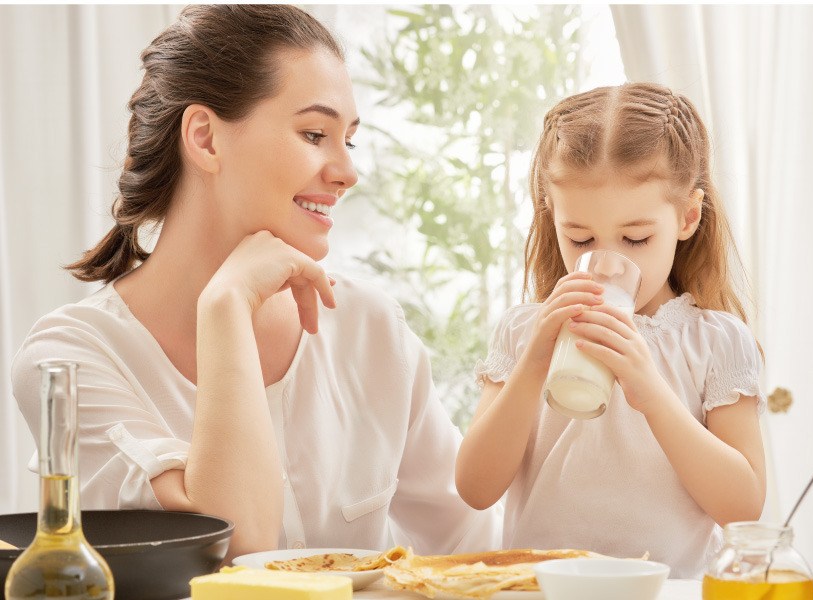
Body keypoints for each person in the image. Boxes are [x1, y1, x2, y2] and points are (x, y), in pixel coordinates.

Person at [12, 4, 500, 561]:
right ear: (205, 138)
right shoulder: (70, 360)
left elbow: (476, 551)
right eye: (314, 133)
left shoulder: (369, 327)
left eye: (350, 140)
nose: (347, 172)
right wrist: (227, 305)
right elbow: (233, 551)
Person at [455, 82, 766, 578]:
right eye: (580, 238)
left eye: (636, 238)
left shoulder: (714, 341)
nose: (608, 261)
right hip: (541, 590)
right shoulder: (524, 332)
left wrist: (651, 392)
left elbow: (743, 508)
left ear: (687, 217)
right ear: (550, 217)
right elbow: (474, 488)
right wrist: (535, 361)